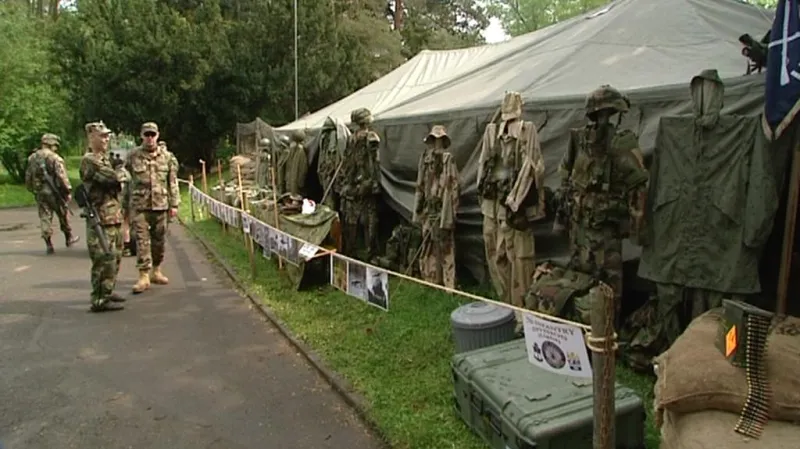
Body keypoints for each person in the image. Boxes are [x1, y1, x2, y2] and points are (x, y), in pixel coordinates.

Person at [125, 122, 180, 294]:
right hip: (139, 206)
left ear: (157, 136)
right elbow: (127, 181)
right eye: (146, 134)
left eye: (152, 135)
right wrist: (124, 206)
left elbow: (173, 182)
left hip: (161, 205)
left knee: (159, 241)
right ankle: (143, 275)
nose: (149, 138)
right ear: (141, 136)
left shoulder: (167, 157)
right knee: (141, 240)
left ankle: (156, 270)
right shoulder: (133, 156)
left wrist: (175, 204)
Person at [79, 121, 127, 312]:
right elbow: (116, 178)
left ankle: (107, 289)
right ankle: (99, 299)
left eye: (108, 136)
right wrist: (121, 170)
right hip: (100, 218)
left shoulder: (104, 158)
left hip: (113, 215)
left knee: (115, 257)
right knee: (103, 258)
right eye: (102, 136)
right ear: (91, 137)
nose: (106, 139)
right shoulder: (90, 160)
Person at [412, 125, 460, 288]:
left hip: (443, 208)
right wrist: (417, 211)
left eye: (440, 140)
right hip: (428, 208)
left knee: (446, 246)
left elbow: (453, 187)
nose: (437, 144)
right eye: (435, 140)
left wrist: (451, 213)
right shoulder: (424, 160)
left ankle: (448, 283)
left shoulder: (448, 159)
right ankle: (431, 279)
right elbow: (420, 185)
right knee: (429, 245)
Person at [25, 133, 80, 253]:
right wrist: (68, 190)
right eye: (55, 145)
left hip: (40, 192)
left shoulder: (32, 158)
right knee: (63, 214)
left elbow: (28, 176)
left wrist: (31, 188)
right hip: (55, 192)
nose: (56, 148)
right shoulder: (55, 158)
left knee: (45, 216)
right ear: (51, 144)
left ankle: (48, 243)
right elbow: (62, 176)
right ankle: (68, 238)